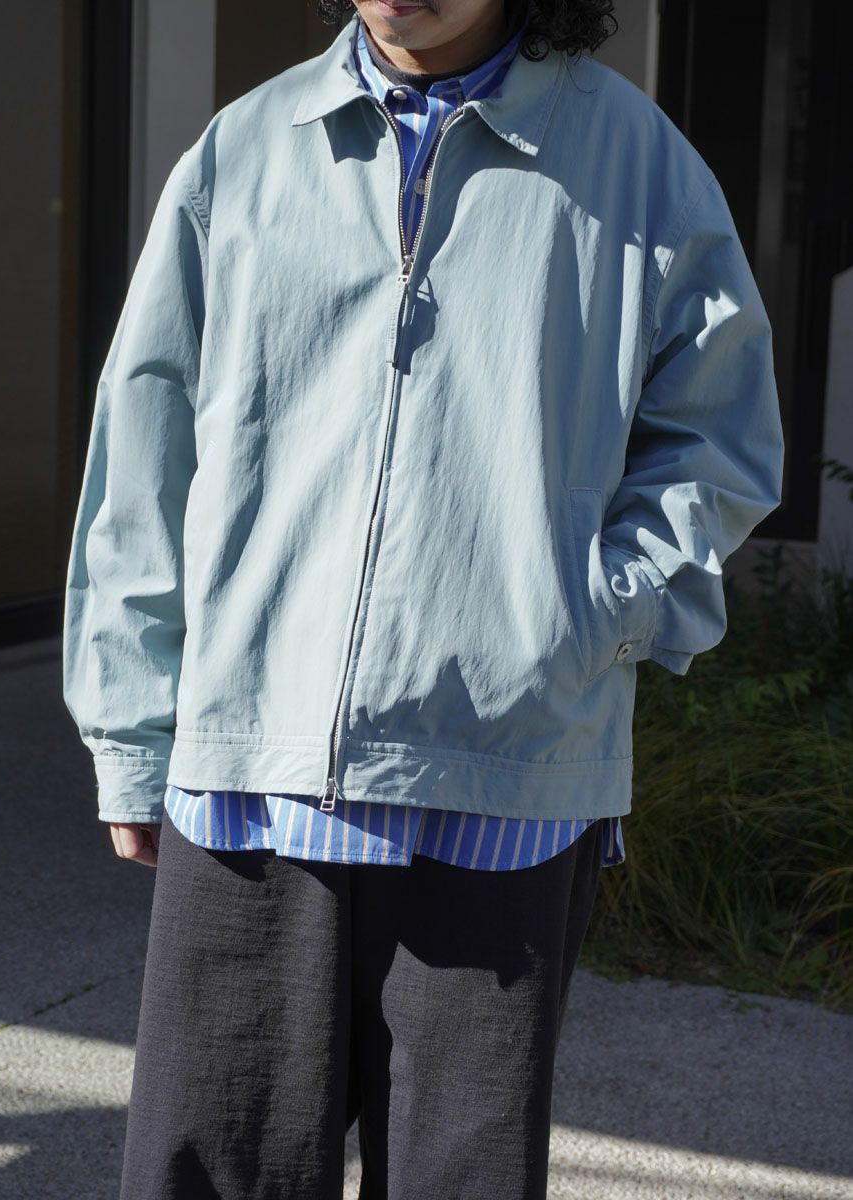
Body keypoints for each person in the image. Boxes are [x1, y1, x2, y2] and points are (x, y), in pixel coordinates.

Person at [61, 0, 785, 1196]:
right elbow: (145, 452)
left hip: (506, 784)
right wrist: (131, 727)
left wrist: (589, 615)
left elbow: (719, 443)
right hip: (251, 781)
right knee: (209, 1172)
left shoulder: (641, 167)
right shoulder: (245, 150)